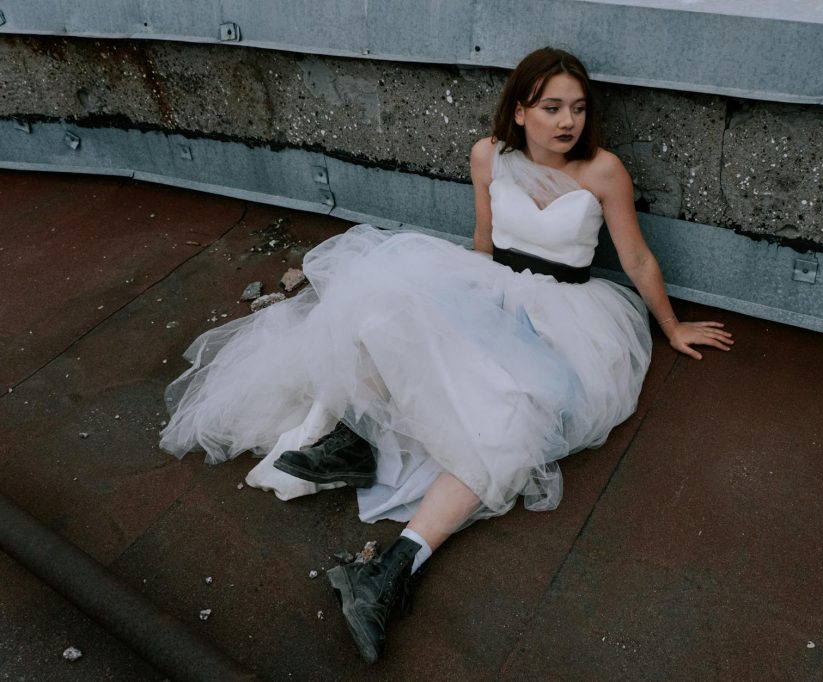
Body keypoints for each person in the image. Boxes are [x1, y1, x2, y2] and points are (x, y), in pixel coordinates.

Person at [159, 47, 732, 663]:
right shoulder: (489, 155)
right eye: (551, 108)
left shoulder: (603, 171)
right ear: (520, 111)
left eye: (578, 108)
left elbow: (636, 258)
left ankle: (390, 570)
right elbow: (483, 242)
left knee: (511, 421)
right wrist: (458, 308)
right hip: (492, 283)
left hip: (565, 315)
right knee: (383, 307)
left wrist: (670, 326)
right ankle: (355, 439)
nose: (568, 121)